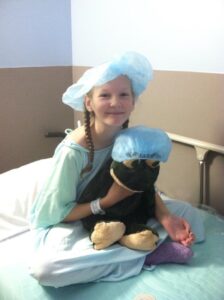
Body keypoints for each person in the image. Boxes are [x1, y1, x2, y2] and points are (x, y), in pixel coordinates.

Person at [29, 51, 204, 287]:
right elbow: (58, 213)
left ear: (133, 101)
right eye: (105, 95)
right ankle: (146, 255)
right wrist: (106, 202)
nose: (115, 103)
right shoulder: (73, 153)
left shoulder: (130, 139)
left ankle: (136, 245)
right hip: (78, 218)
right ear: (89, 103)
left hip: (121, 212)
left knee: (189, 214)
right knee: (46, 270)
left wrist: (165, 217)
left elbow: (141, 184)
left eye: (124, 94)